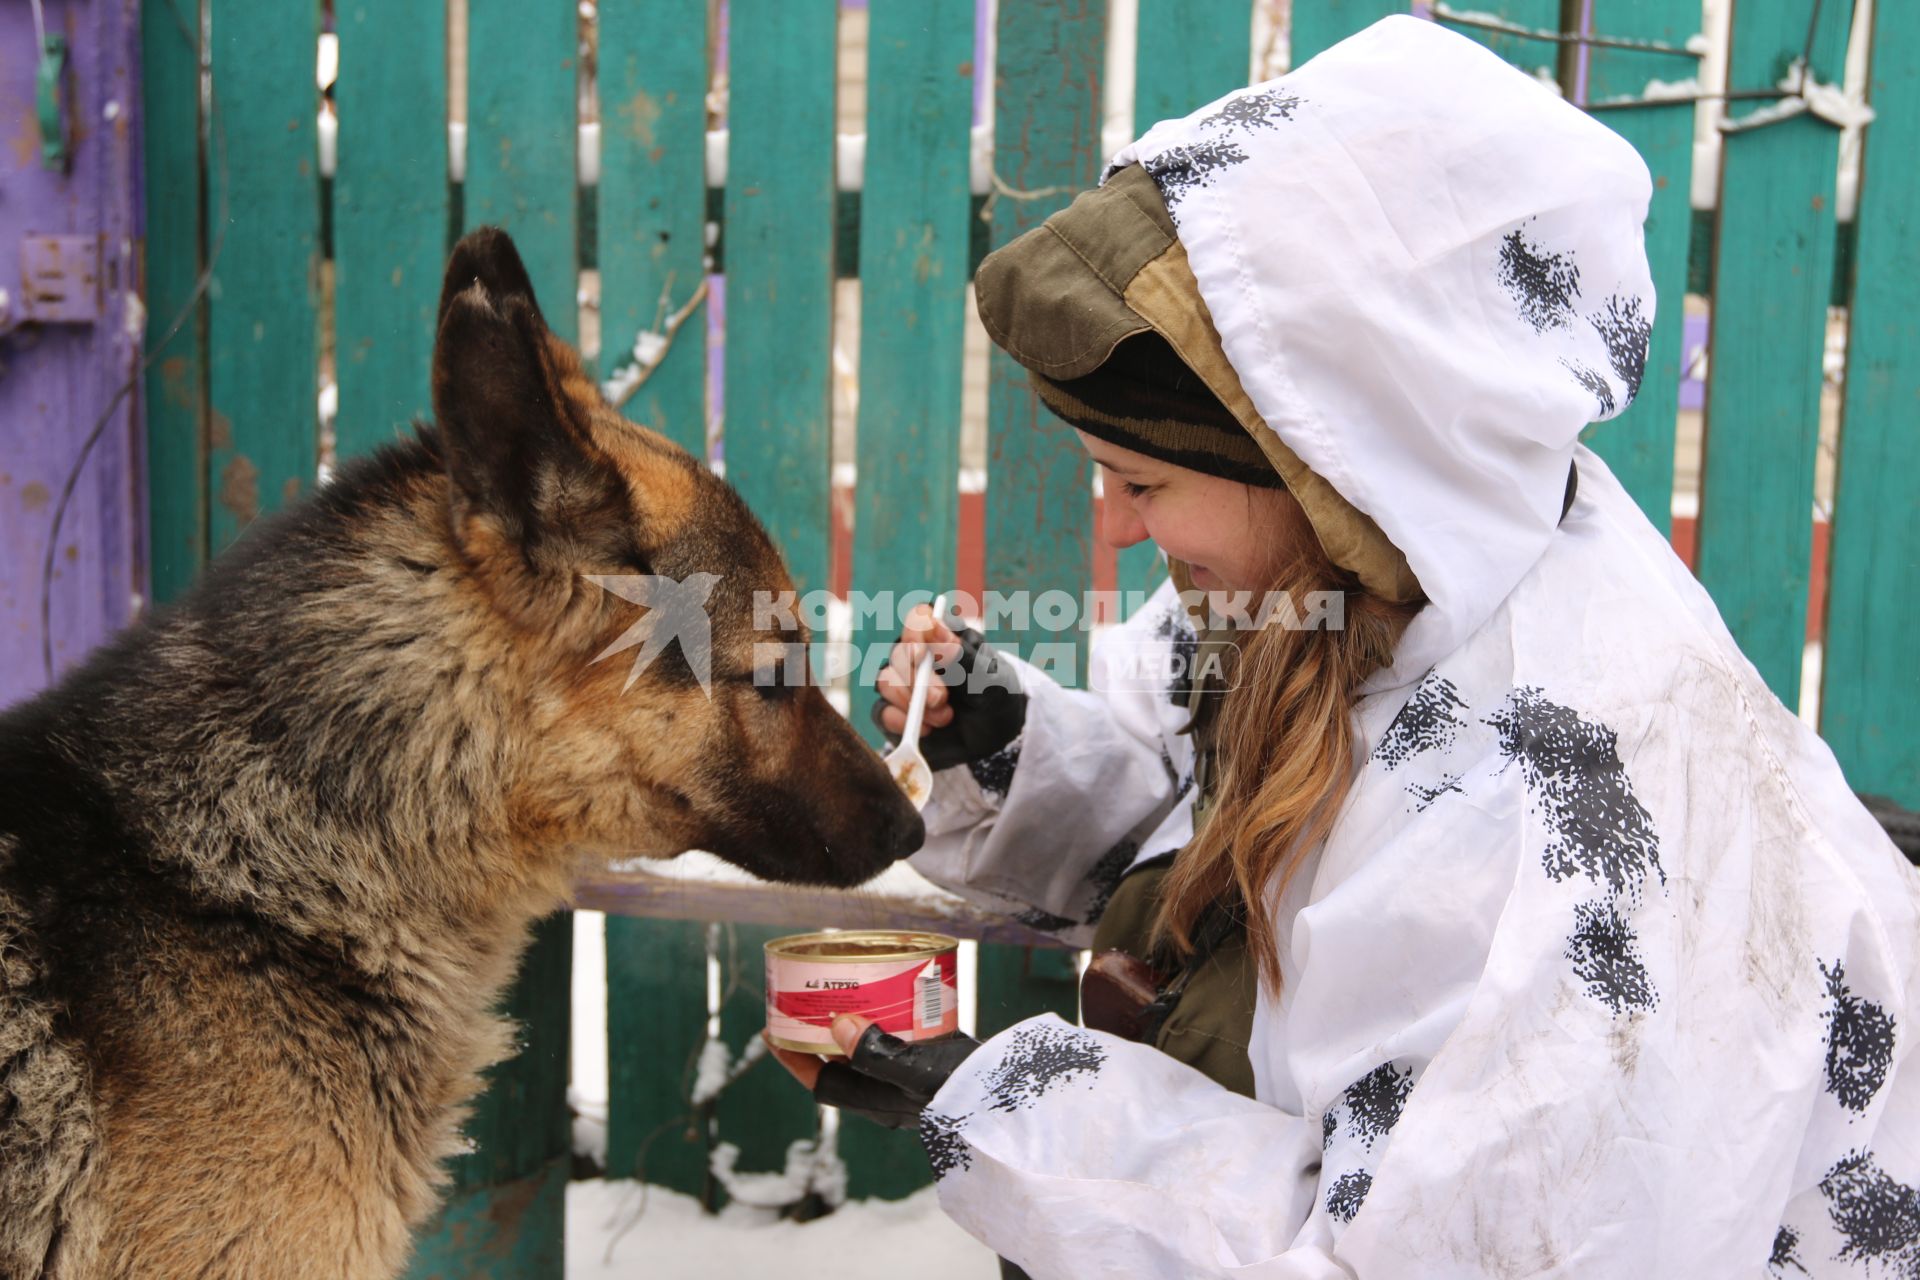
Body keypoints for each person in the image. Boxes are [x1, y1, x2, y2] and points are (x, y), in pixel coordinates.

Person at [769, 16, 1920, 1278]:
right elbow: (1196, 791)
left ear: (1327, 466)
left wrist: (1011, 1107)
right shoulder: (1360, 571)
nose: (1112, 524)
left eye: (1139, 479)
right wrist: (1013, 745)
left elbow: (1401, 1261)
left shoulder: (1556, 857)